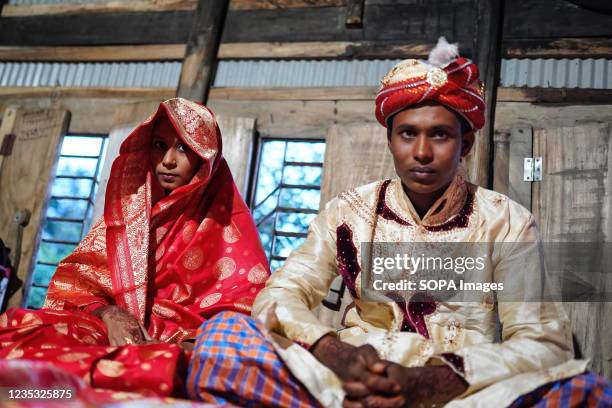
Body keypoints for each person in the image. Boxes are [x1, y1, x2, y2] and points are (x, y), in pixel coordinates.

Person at [185, 39, 611, 407]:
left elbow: (544, 342)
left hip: (456, 393)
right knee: (222, 338)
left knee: (588, 392)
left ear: (466, 143)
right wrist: (335, 353)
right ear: (390, 138)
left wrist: (428, 382)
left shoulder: (506, 222)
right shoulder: (348, 211)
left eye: (440, 135)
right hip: (345, 383)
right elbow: (282, 293)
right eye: (408, 134)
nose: (422, 152)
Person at [0, 97, 270, 398]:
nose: (168, 160)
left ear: (206, 158)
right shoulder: (128, 215)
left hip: (189, 344)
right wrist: (110, 314)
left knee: (189, 368)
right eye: (159, 145)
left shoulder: (228, 225)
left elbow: (244, 310)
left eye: (183, 147)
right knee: (26, 333)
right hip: (116, 329)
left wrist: (184, 344)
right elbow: (76, 285)